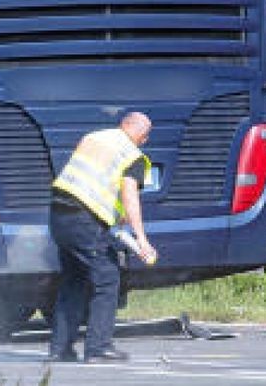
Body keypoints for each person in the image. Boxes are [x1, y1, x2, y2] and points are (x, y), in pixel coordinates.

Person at [47, 111, 158, 363]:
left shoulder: (94, 138)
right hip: (83, 219)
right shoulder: (132, 155)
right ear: (142, 135)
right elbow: (130, 196)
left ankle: (60, 349)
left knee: (73, 281)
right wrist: (141, 239)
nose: (145, 141)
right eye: (146, 137)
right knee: (107, 278)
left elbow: (94, 182)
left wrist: (113, 215)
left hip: (59, 215)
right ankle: (98, 348)